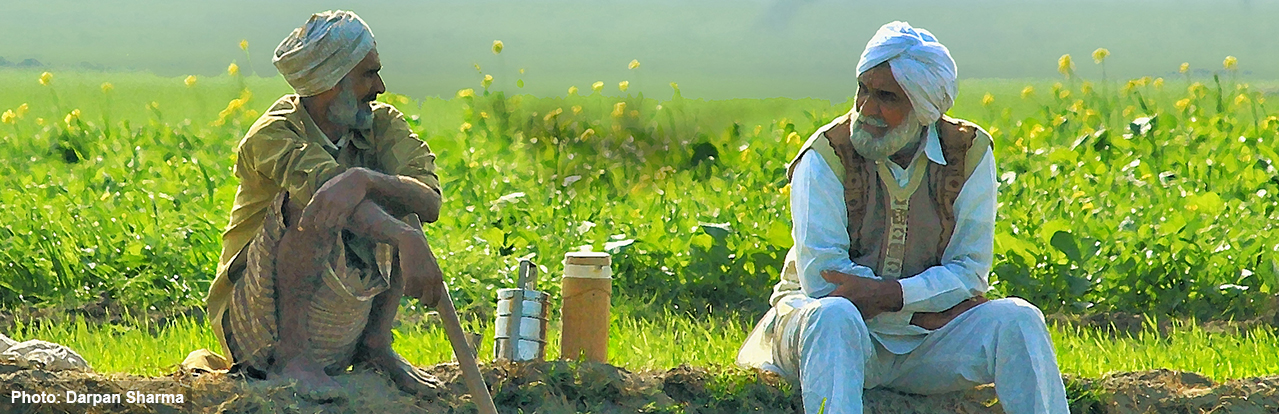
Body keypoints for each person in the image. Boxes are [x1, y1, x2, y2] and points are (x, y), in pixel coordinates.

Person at [737, 21, 1069, 414]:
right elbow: (824, 281)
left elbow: (970, 272)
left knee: (1019, 320)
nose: (866, 109)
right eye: (863, 89)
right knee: (834, 315)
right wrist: (926, 305)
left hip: (925, 343)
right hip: (831, 342)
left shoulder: (971, 152)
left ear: (923, 107)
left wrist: (897, 299)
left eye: (886, 97)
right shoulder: (825, 155)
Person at [203, 10, 445, 397]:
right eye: (368, 75)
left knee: (398, 199)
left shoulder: (381, 124)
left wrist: (365, 178)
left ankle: (375, 347)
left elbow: (428, 200)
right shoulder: (273, 134)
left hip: (343, 317)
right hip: (259, 323)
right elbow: (327, 193)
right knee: (312, 207)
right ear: (331, 84)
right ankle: (292, 355)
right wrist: (404, 237)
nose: (380, 86)